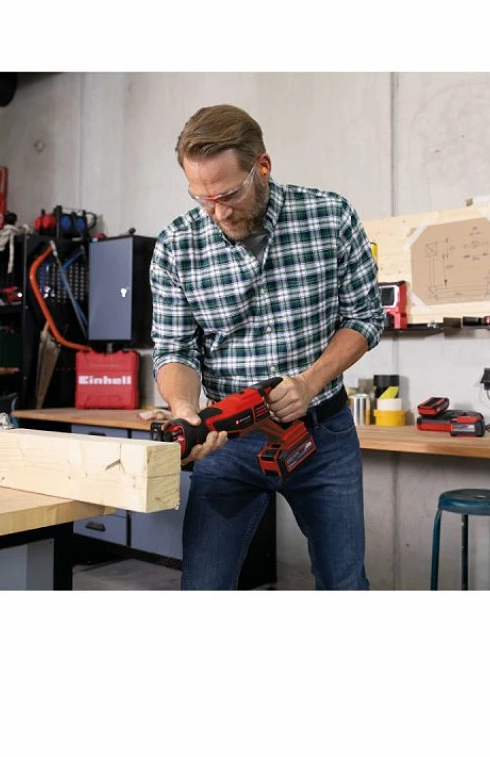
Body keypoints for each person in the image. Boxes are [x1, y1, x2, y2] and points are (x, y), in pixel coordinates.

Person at [149, 104, 383, 590]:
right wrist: (185, 409)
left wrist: (310, 382)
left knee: (344, 584)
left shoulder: (330, 217)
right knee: (203, 587)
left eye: (229, 194)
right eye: (202, 198)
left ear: (262, 166)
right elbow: (175, 349)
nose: (218, 212)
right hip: (227, 441)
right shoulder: (176, 246)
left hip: (322, 436)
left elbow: (365, 317)